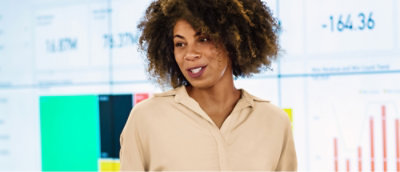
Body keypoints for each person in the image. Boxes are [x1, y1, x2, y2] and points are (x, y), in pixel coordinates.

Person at [119, 0, 297, 171]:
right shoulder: (146, 118)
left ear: (233, 41)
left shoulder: (274, 121)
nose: (189, 54)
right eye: (180, 44)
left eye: (203, 39)